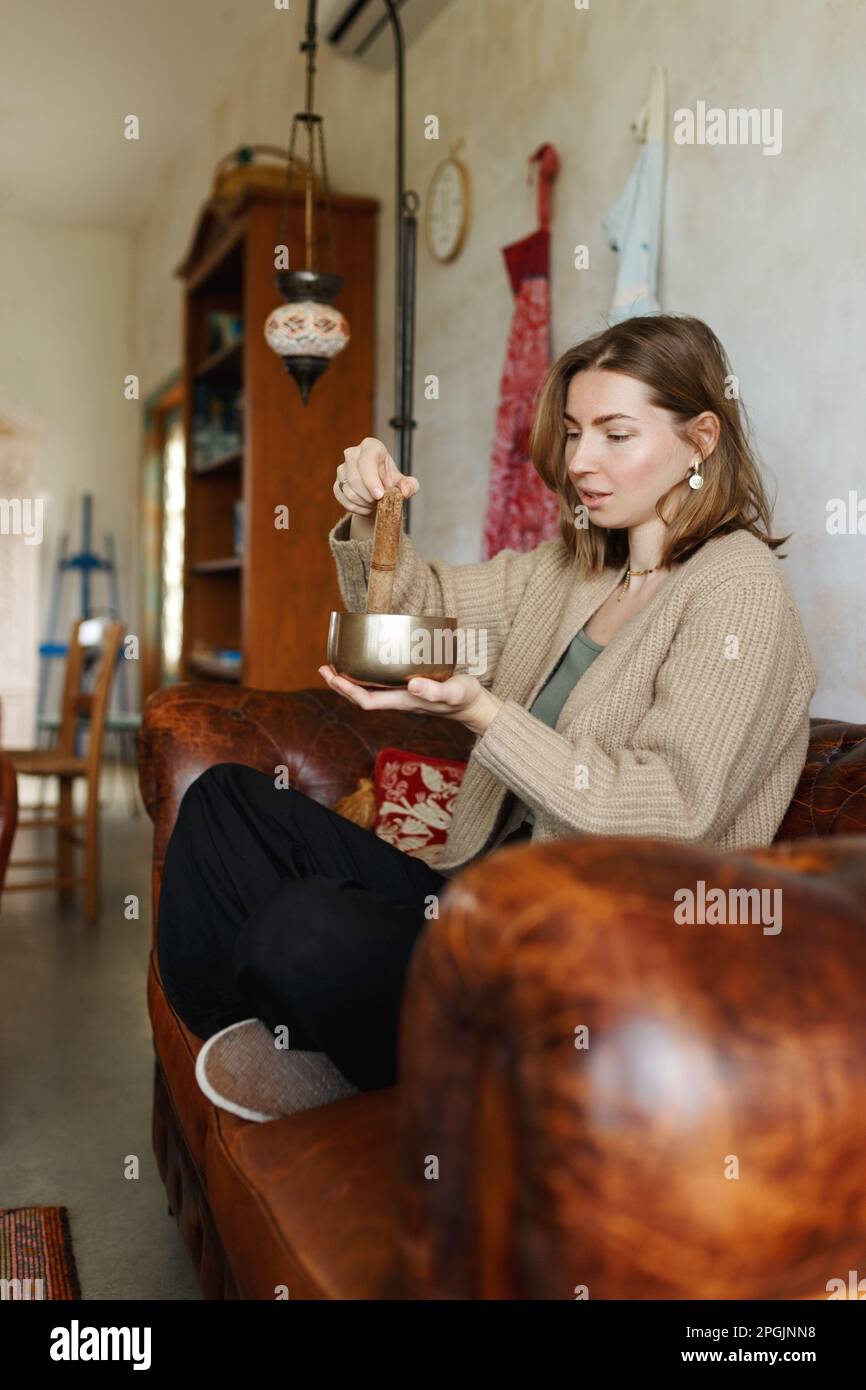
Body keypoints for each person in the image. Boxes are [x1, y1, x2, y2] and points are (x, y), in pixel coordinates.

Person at [156, 312, 816, 1108]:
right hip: (478, 899)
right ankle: (257, 1042)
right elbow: (420, 611)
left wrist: (484, 714)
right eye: (574, 433)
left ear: (700, 438)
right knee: (226, 805)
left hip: (593, 958)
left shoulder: (737, 590)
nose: (580, 461)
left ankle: (347, 1047)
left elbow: (669, 816)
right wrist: (373, 515)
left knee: (304, 929)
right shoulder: (577, 566)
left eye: (615, 435)